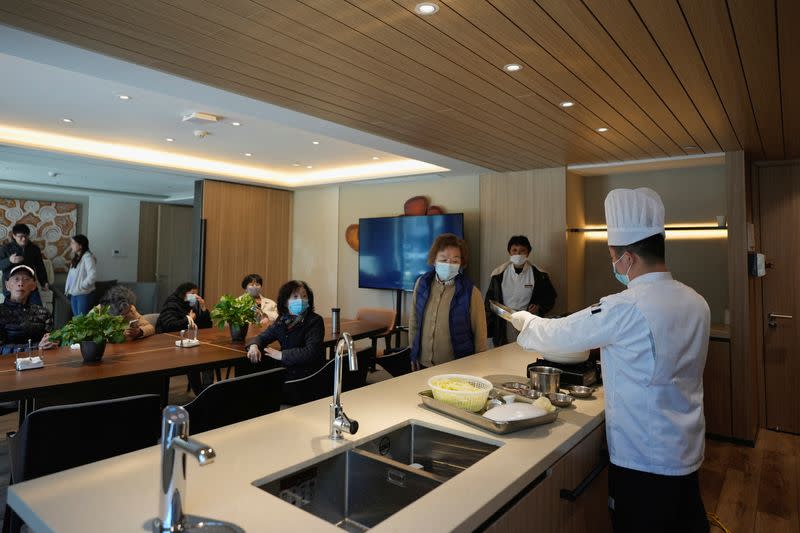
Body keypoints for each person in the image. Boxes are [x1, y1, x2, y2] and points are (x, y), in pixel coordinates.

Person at [510, 188, 710, 533]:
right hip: (686, 452)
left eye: (613, 255)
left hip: (641, 460)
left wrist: (525, 322)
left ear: (628, 259)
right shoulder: (697, 302)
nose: (614, 263)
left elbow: (561, 333)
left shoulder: (626, 307)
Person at [409, 233, 488, 370]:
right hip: (423, 364)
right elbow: (414, 321)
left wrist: (478, 366)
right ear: (434, 260)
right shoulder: (422, 284)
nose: (449, 264)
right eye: (444, 260)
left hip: (456, 367)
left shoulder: (471, 292)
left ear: (461, 263)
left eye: (455, 261)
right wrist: (413, 353)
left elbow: (480, 335)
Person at [484, 235, 557, 346]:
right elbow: (489, 302)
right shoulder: (499, 275)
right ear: (509, 252)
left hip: (528, 321)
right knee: (504, 355)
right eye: (514, 250)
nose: (518, 254)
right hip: (504, 324)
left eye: (522, 251)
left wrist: (539, 307)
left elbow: (550, 297)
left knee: (527, 352)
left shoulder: (539, 275)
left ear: (528, 253)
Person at [244, 280, 324, 380]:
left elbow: (311, 352)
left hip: (307, 374)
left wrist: (282, 355)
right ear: (285, 302)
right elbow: (263, 336)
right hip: (286, 370)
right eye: (295, 297)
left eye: (304, 296)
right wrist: (254, 346)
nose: (300, 300)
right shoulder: (283, 319)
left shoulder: (314, 320)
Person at [0, 265, 56, 354]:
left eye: (26, 279)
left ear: (33, 286)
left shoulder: (43, 313)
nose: (21, 283)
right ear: (7, 285)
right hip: (9, 365)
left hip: (41, 363)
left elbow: (51, 340)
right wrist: (35, 347)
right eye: (16, 279)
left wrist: (53, 341)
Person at [0, 223, 50, 306]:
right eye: (20, 236)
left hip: (29, 284)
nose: (24, 239)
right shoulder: (5, 249)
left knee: (37, 309)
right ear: (14, 236)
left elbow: (40, 267)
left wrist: (44, 282)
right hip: (11, 285)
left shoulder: (34, 249)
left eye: (26, 236)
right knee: (13, 312)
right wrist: (9, 260)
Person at [64, 234, 96, 317]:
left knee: (81, 320)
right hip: (74, 293)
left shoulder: (88, 257)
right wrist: (68, 289)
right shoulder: (77, 258)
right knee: (76, 320)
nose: (71, 245)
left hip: (83, 294)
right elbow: (71, 277)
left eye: (73, 243)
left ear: (80, 245)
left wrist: (82, 286)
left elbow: (92, 275)